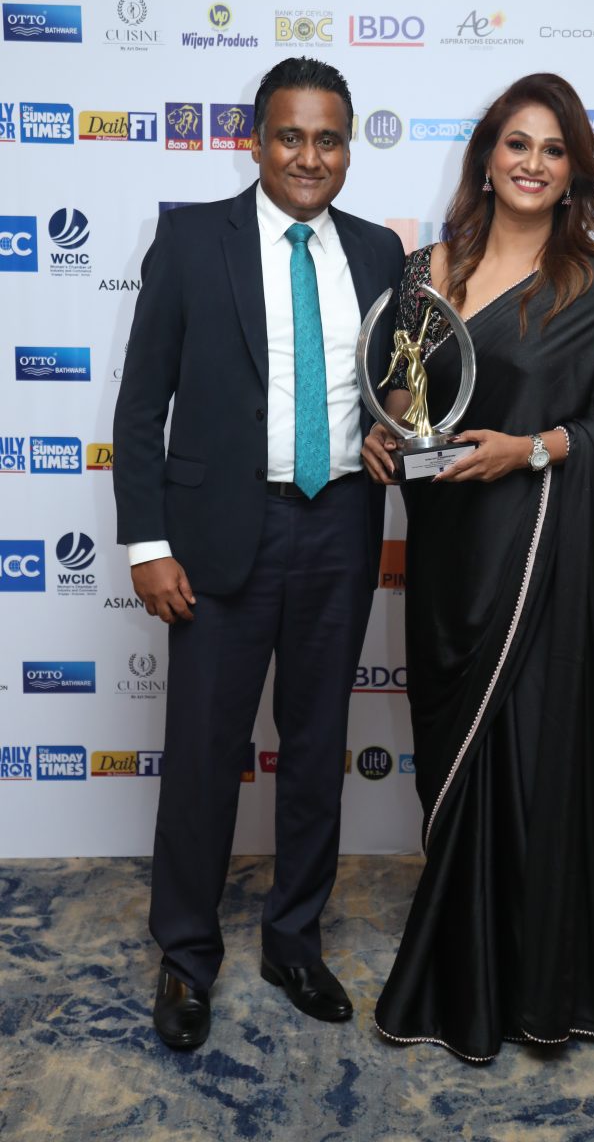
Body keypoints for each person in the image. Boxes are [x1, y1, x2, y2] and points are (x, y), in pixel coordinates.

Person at [362, 72, 594, 1061]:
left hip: (542, 561)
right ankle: (465, 951)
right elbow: (402, 395)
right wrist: (383, 434)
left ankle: (535, 982)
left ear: (574, 171)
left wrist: (530, 449)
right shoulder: (427, 272)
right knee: (456, 758)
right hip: (448, 557)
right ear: (487, 158)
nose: (533, 163)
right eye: (517, 143)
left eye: (553, 149)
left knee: (529, 761)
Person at [113, 57, 405, 1049]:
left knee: (317, 750)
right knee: (204, 755)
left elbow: (389, 387)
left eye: (328, 139)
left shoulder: (378, 252)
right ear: (255, 140)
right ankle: (187, 957)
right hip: (217, 536)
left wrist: (391, 429)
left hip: (340, 524)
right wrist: (148, 542)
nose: (308, 156)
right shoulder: (194, 239)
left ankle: (293, 941)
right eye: (290, 136)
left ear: (347, 148)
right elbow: (140, 404)